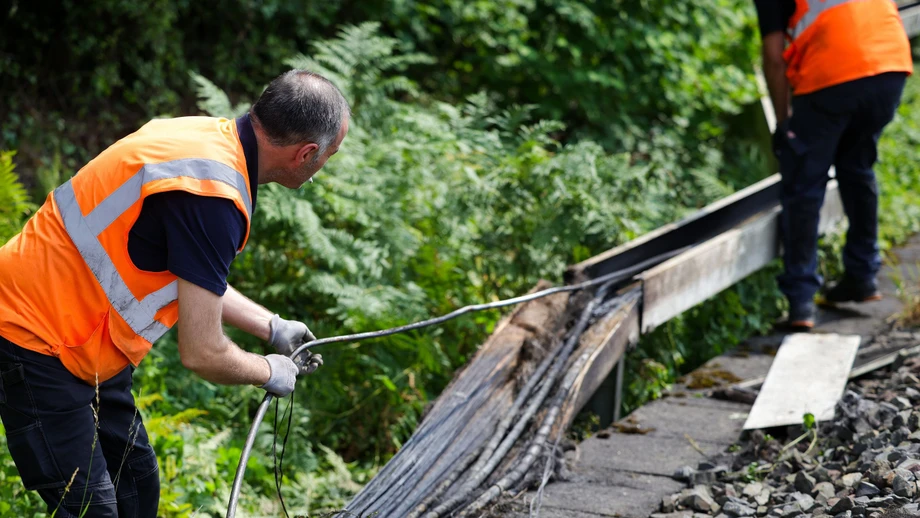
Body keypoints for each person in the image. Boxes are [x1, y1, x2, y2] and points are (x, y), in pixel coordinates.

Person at [0, 69, 350, 517]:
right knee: (92, 509)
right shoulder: (213, 198)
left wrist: (270, 325)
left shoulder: (207, 139)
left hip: (82, 336)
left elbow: (192, 273)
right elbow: (202, 353)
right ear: (307, 153)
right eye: (329, 156)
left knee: (136, 486)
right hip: (34, 335)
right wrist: (267, 370)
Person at [753, 0, 912, 330]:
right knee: (857, 165)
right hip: (890, 65)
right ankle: (862, 275)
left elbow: (773, 58)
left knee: (804, 182)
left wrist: (785, 127)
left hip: (833, 71)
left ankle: (800, 301)